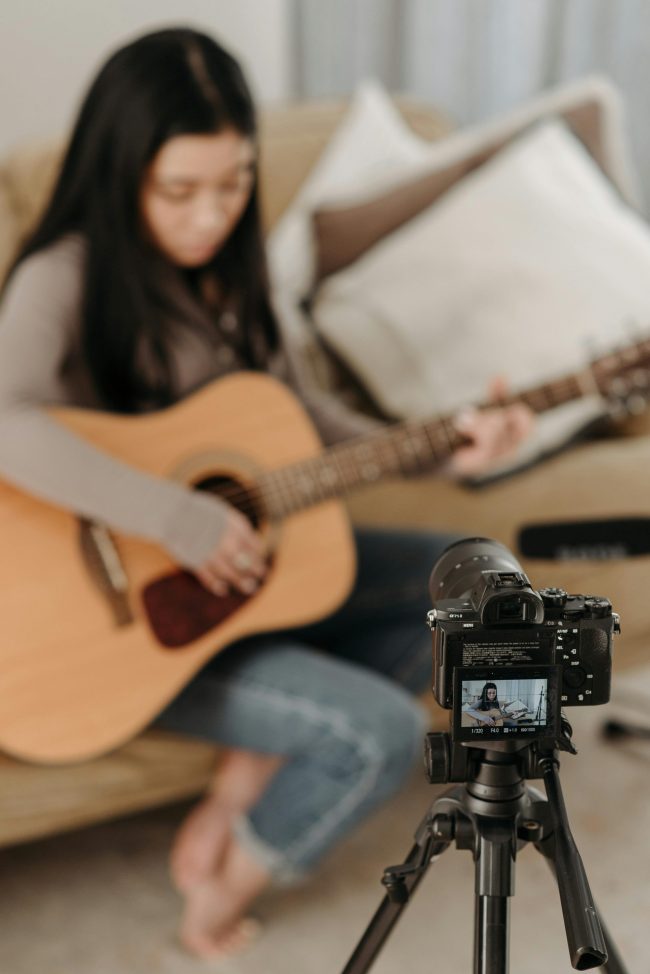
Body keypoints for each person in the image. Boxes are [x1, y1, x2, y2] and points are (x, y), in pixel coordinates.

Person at [0, 27, 533, 960]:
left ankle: (241, 785)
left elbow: (306, 425)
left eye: (234, 183)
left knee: (481, 585)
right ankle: (223, 888)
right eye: (181, 190)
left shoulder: (235, 285)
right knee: (373, 736)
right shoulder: (64, 278)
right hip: (126, 633)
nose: (210, 215)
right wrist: (174, 515)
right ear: (121, 171)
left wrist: (452, 447)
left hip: (246, 588)